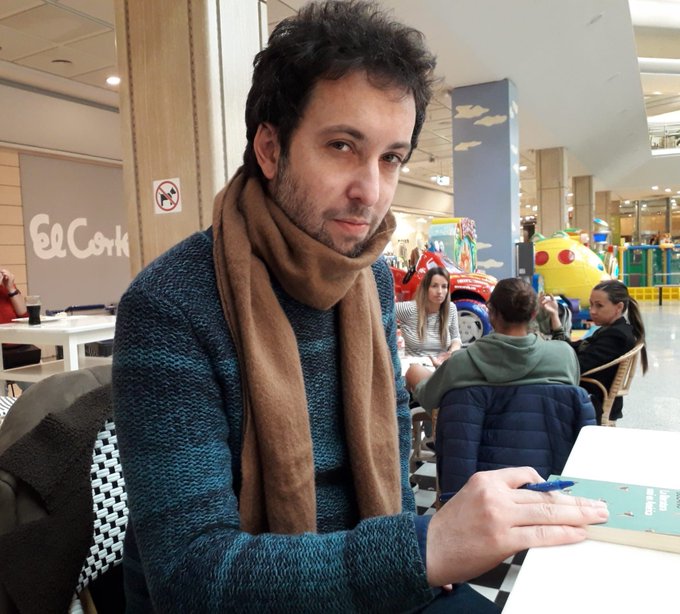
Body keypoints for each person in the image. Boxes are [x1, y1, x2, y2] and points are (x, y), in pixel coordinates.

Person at [112, 3, 609, 612]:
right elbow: (189, 575)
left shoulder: (366, 275)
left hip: (375, 579)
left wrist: (415, 555)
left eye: (390, 157)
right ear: (269, 149)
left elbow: (392, 445)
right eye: (342, 146)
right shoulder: (169, 304)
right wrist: (422, 549)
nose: (370, 191)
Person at [406, 277, 580, 410]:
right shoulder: (564, 357)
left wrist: (436, 371)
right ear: (534, 314)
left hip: (479, 445)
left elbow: (429, 399)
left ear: (490, 312)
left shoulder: (460, 364)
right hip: (548, 444)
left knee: (414, 370)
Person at [542, 279, 648, 423]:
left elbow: (575, 366)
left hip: (592, 400)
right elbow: (571, 349)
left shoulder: (617, 336)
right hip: (589, 393)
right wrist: (554, 316)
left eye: (599, 306)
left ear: (619, 307)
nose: (592, 311)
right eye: (591, 304)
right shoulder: (612, 330)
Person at [395, 266, 461, 367]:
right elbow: (381, 312)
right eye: (434, 286)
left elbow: (456, 338)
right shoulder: (409, 309)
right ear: (426, 288)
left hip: (442, 367)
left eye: (444, 286)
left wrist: (451, 353)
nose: (439, 291)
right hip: (415, 368)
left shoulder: (450, 308)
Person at [1, 267, 40, 378]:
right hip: (3, 346)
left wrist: (10, 287)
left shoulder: (4, 285)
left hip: (17, 345)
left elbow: (23, 314)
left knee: (35, 381)